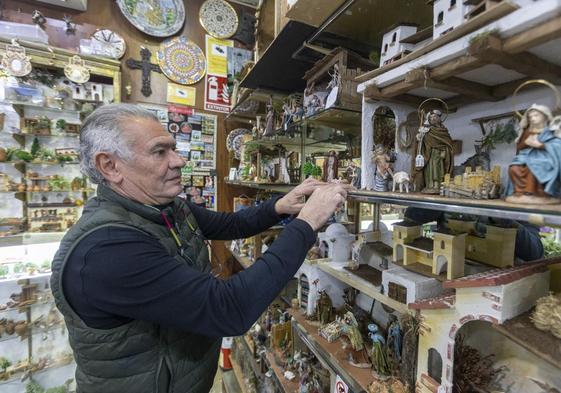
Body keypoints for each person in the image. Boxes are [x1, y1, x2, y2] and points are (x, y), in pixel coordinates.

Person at [50, 104, 350, 393]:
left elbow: (230, 225)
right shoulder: (107, 249)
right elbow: (228, 309)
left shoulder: (165, 207)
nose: (178, 160)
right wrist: (308, 221)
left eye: (173, 147)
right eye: (159, 152)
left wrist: (280, 206)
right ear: (110, 166)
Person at [506, 104, 561, 204]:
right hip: (526, 156)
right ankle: (519, 192)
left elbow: (557, 145)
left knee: (535, 165)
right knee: (513, 167)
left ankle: (538, 193)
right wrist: (526, 143)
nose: (533, 119)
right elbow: (519, 147)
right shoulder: (527, 131)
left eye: (536, 116)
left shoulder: (551, 131)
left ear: (545, 116)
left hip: (546, 157)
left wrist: (539, 145)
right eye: (530, 117)